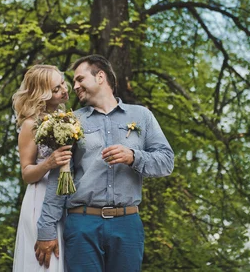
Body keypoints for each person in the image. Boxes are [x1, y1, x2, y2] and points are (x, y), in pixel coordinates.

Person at [35, 55, 175, 271]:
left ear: (100, 76)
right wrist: (46, 230)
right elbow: (59, 178)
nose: (75, 86)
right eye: (73, 81)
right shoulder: (70, 121)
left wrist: (133, 156)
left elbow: (166, 162)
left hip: (127, 225)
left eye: (80, 79)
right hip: (82, 225)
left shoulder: (142, 116)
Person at [12, 65, 73, 272]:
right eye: (56, 89)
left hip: (64, 199)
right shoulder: (31, 124)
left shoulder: (67, 118)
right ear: (43, 94)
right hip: (40, 199)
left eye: (63, 83)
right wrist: (48, 163)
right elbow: (26, 173)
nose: (64, 90)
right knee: (46, 264)